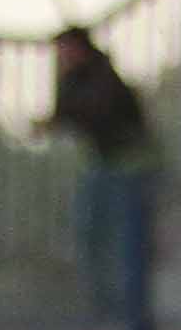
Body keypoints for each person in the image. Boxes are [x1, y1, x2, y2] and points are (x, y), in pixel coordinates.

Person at [45, 26, 161, 304]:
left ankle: (123, 301)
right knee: (93, 232)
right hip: (105, 164)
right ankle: (102, 298)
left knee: (120, 235)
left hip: (125, 165)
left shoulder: (103, 77)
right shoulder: (74, 79)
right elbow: (64, 116)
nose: (62, 57)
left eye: (65, 50)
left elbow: (101, 115)